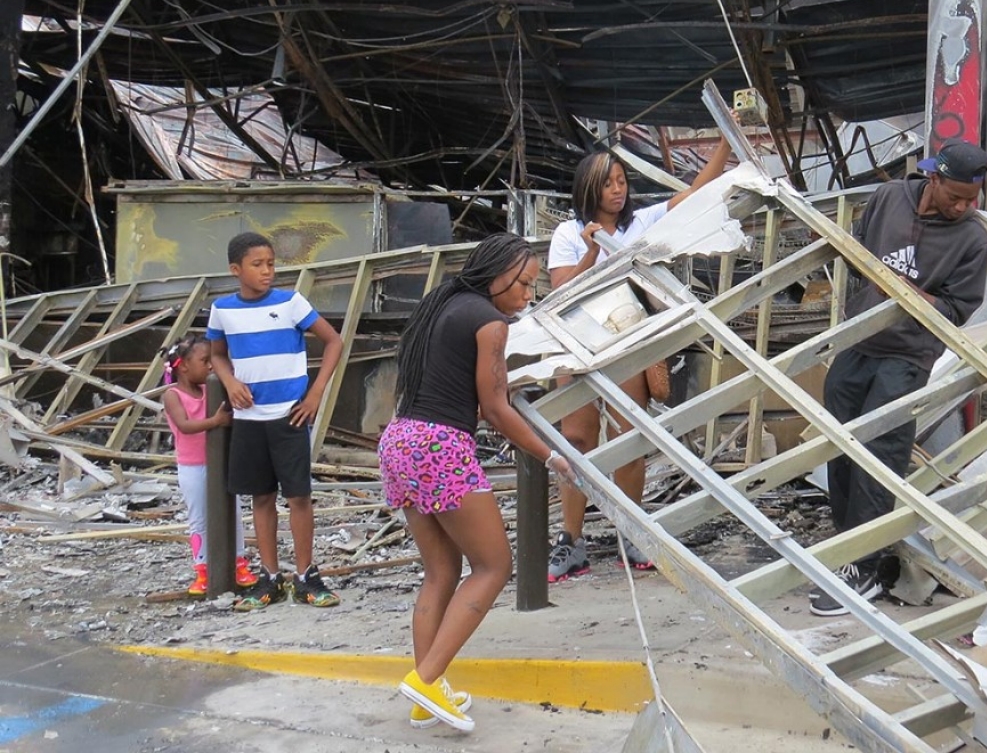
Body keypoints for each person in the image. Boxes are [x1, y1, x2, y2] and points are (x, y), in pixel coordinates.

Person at [379, 234, 573, 733]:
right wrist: (550, 455)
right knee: (494, 565)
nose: (528, 295)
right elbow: (494, 407)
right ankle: (425, 679)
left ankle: (427, 696)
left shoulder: (440, 304)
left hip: (400, 439)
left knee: (441, 572)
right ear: (498, 273)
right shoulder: (489, 321)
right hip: (440, 445)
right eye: (525, 283)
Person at [811, 141, 987, 617]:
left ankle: (865, 565)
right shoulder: (890, 198)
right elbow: (858, 255)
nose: (963, 207)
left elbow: (956, 310)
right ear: (932, 178)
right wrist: (879, 290)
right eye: (955, 196)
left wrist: (909, 296)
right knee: (841, 440)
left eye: (970, 199)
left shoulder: (972, 238)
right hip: (860, 339)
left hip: (908, 354)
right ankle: (847, 545)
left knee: (881, 450)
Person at [545, 140, 734, 581]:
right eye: (608, 184)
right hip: (576, 347)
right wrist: (593, 252)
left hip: (627, 342)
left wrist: (725, 146)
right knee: (576, 441)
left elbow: (695, 194)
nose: (618, 191)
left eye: (622, 182)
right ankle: (571, 541)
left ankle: (632, 533)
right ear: (588, 189)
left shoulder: (641, 223)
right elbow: (557, 291)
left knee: (630, 438)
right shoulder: (569, 234)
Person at [207, 231, 345, 611]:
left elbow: (334, 341)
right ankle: (270, 577)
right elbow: (217, 353)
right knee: (261, 496)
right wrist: (231, 381)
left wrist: (315, 394)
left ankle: (306, 577)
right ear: (236, 270)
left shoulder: (291, 303)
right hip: (249, 418)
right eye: (257, 265)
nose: (267, 271)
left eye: (271, 263)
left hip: (290, 415)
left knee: (299, 496)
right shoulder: (223, 310)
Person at [160, 335, 255, 597]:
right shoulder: (173, 395)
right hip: (192, 466)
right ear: (184, 366)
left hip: (219, 462)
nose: (211, 367)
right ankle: (202, 569)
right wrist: (215, 422)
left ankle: (238, 563)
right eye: (205, 361)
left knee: (232, 512)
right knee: (199, 517)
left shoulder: (210, 390)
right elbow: (184, 426)